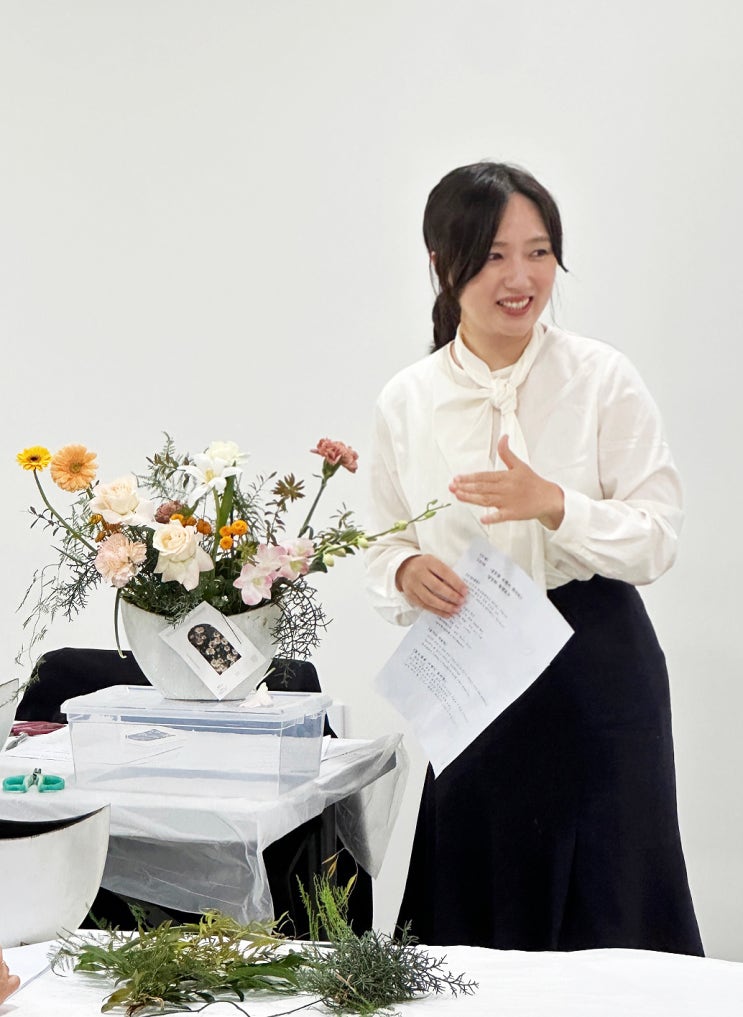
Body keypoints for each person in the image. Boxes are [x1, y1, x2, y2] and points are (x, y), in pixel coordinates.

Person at [365, 161, 703, 954]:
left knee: (610, 894)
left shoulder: (600, 377)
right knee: (478, 897)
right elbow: (383, 543)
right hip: (472, 663)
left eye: (539, 252)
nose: (520, 279)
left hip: (595, 658)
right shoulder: (406, 398)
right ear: (441, 263)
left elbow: (656, 535)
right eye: (492, 256)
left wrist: (555, 504)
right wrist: (406, 573)